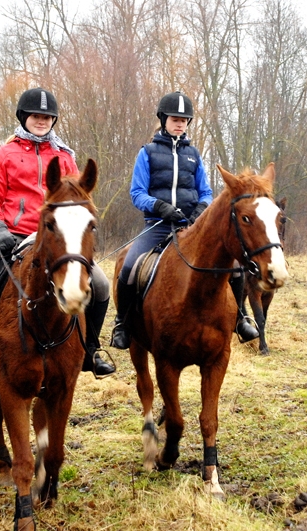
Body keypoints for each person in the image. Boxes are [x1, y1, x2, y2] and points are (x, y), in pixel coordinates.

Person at [0, 87, 115, 379]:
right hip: (12, 235)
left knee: (100, 284)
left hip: (55, 239)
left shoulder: (64, 157)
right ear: (24, 117)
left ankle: (91, 348)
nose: (42, 121)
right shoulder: (6, 153)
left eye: (47, 117)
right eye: (36, 116)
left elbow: (75, 200)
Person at [109, 91, 259, 349]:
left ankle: (241, 318)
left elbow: (206, 192)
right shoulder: (147, 152)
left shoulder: (194, 155)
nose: (179, 123)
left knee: (233, 266)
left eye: (184, 120)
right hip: (157, 225)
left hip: (191, 226)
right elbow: (137, 193)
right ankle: (122, 323)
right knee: (130, 266)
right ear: (163, 119)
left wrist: (200, 209)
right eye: (174, 119)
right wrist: (159, 206)